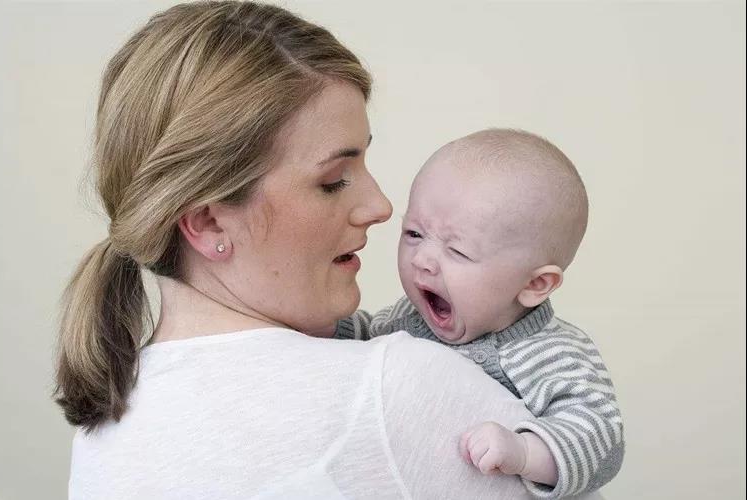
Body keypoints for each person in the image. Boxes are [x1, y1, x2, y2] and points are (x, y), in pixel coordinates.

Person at [54, 2, 609, 499]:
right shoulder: (396, 387)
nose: (382, 207)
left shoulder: (104, 430)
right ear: (209, 221)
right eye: (333, 180)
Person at [334, 129, 624, 498]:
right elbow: (365, 335)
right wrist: (320, 321)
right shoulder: (409, 318)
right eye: (414, 234)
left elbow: (601, 440)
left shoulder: (555, 354)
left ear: (534, 284)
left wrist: (525, 451)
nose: (422, 260)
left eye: (458, 251)